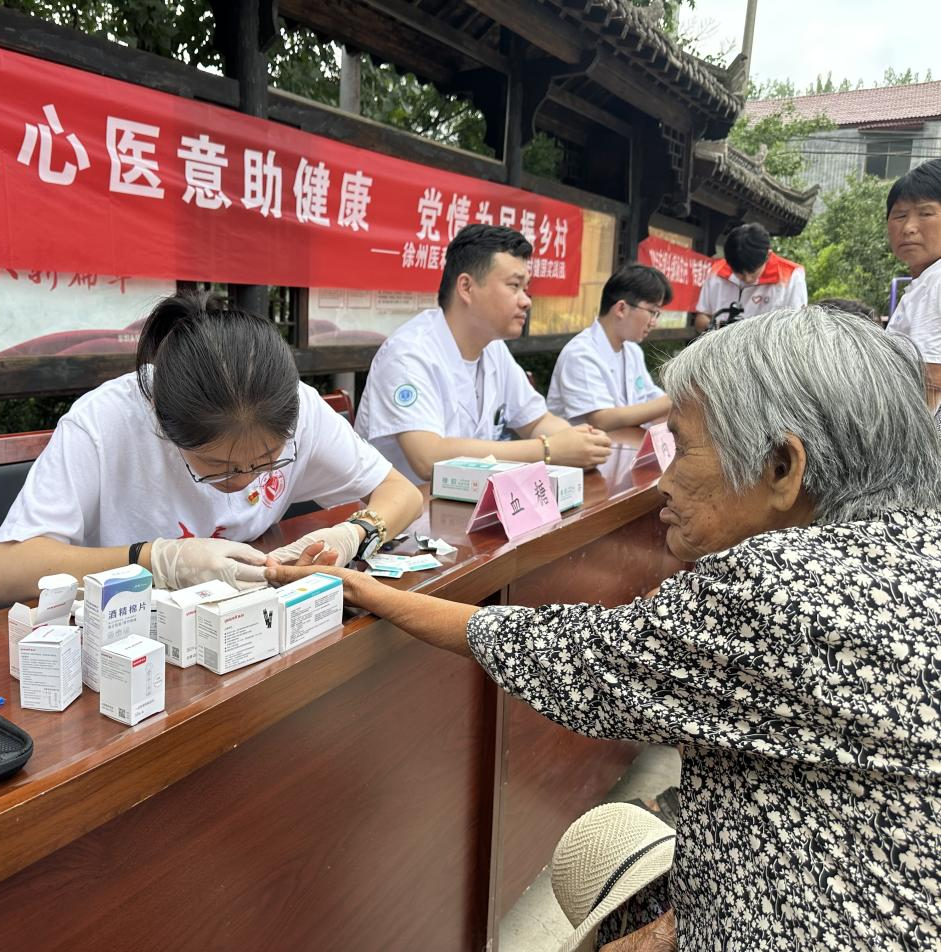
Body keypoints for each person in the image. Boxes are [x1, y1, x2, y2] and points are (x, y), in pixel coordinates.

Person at [271, 307, 941, 951]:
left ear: (782, 467)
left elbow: (557, 654)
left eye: (683, 449)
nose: (664, 482)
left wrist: (366, 590)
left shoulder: (775, 589)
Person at [0, 291, 423, 606]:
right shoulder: (104, 422)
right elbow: (2, 575)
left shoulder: (297, 406)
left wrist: (354, 533)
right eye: (217, 467)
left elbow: (401, 493)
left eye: (266, 462)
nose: (244, 480)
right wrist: (156, 559)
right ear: (163, 420)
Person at [354, 224, 612, 483]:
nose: (526, 301)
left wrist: (581, 441)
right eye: (514, 286)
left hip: (471, 499)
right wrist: (547, 450)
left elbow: (536, 421)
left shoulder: (493, 347)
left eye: (525, 289)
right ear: (466, 287)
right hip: (407, 505)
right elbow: (428, 458)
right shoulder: (408, 354)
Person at [546, 264, 672, 428]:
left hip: (625, 441)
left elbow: (651, 397)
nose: (654, 322)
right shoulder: (581, 353)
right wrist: (672, 399)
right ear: (621, 308)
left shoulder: (632, 351)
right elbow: (602, 419)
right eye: (652, 312)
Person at [885, 158, 941, 409]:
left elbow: (932, 382)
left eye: (925, 213)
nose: (908, 228)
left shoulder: (936, 282)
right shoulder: (924, 282)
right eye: (900, 215)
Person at [693, 223, 807, 332]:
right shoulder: (717, 272)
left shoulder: (791, 276)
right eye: (739, 273)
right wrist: (717, 328)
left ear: (768, 256)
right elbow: (701, 317)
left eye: (752, 272)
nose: (747, 279)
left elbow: (797, 327)